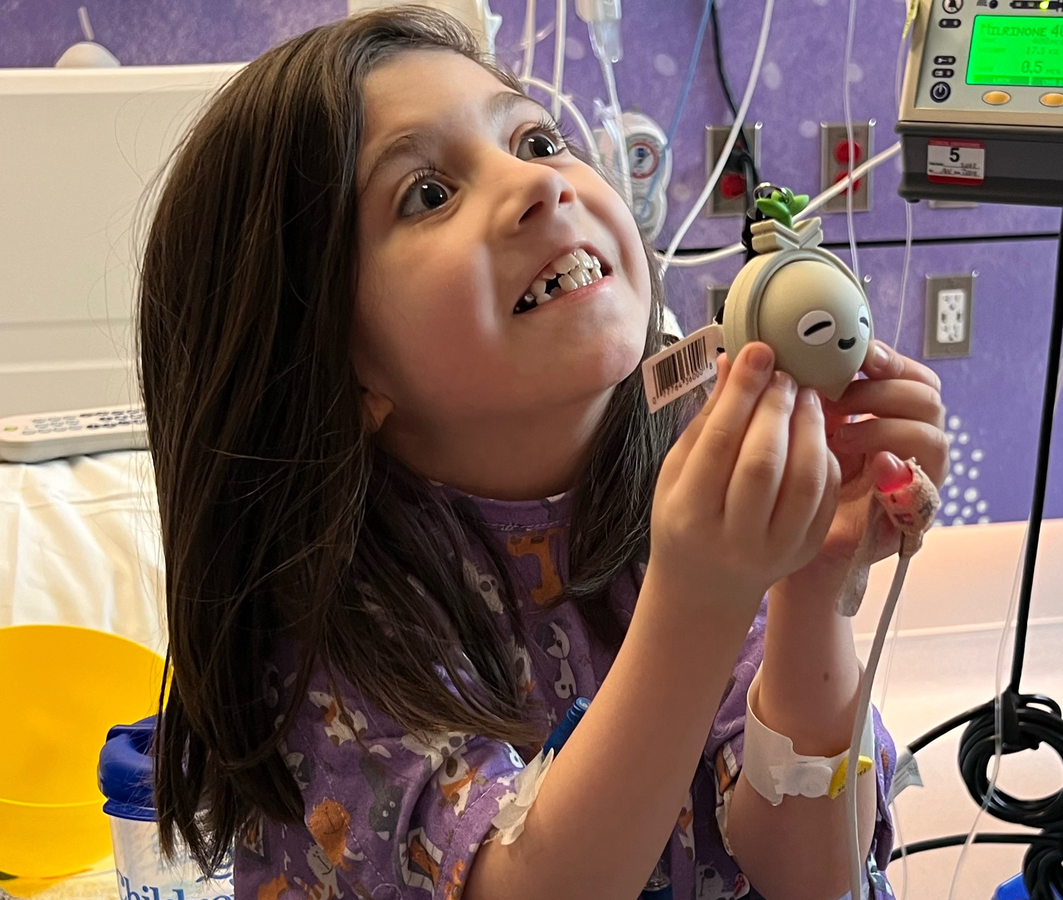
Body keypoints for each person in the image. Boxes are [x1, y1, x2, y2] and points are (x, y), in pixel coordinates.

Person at [137, 8, 947, 900]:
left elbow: (811, 875)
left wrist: (811, 580)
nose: (538, 183)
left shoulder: (700, 487)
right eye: (428, 194)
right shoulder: (331, 625)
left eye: (537, 140)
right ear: (329, 359)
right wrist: (700, 598)